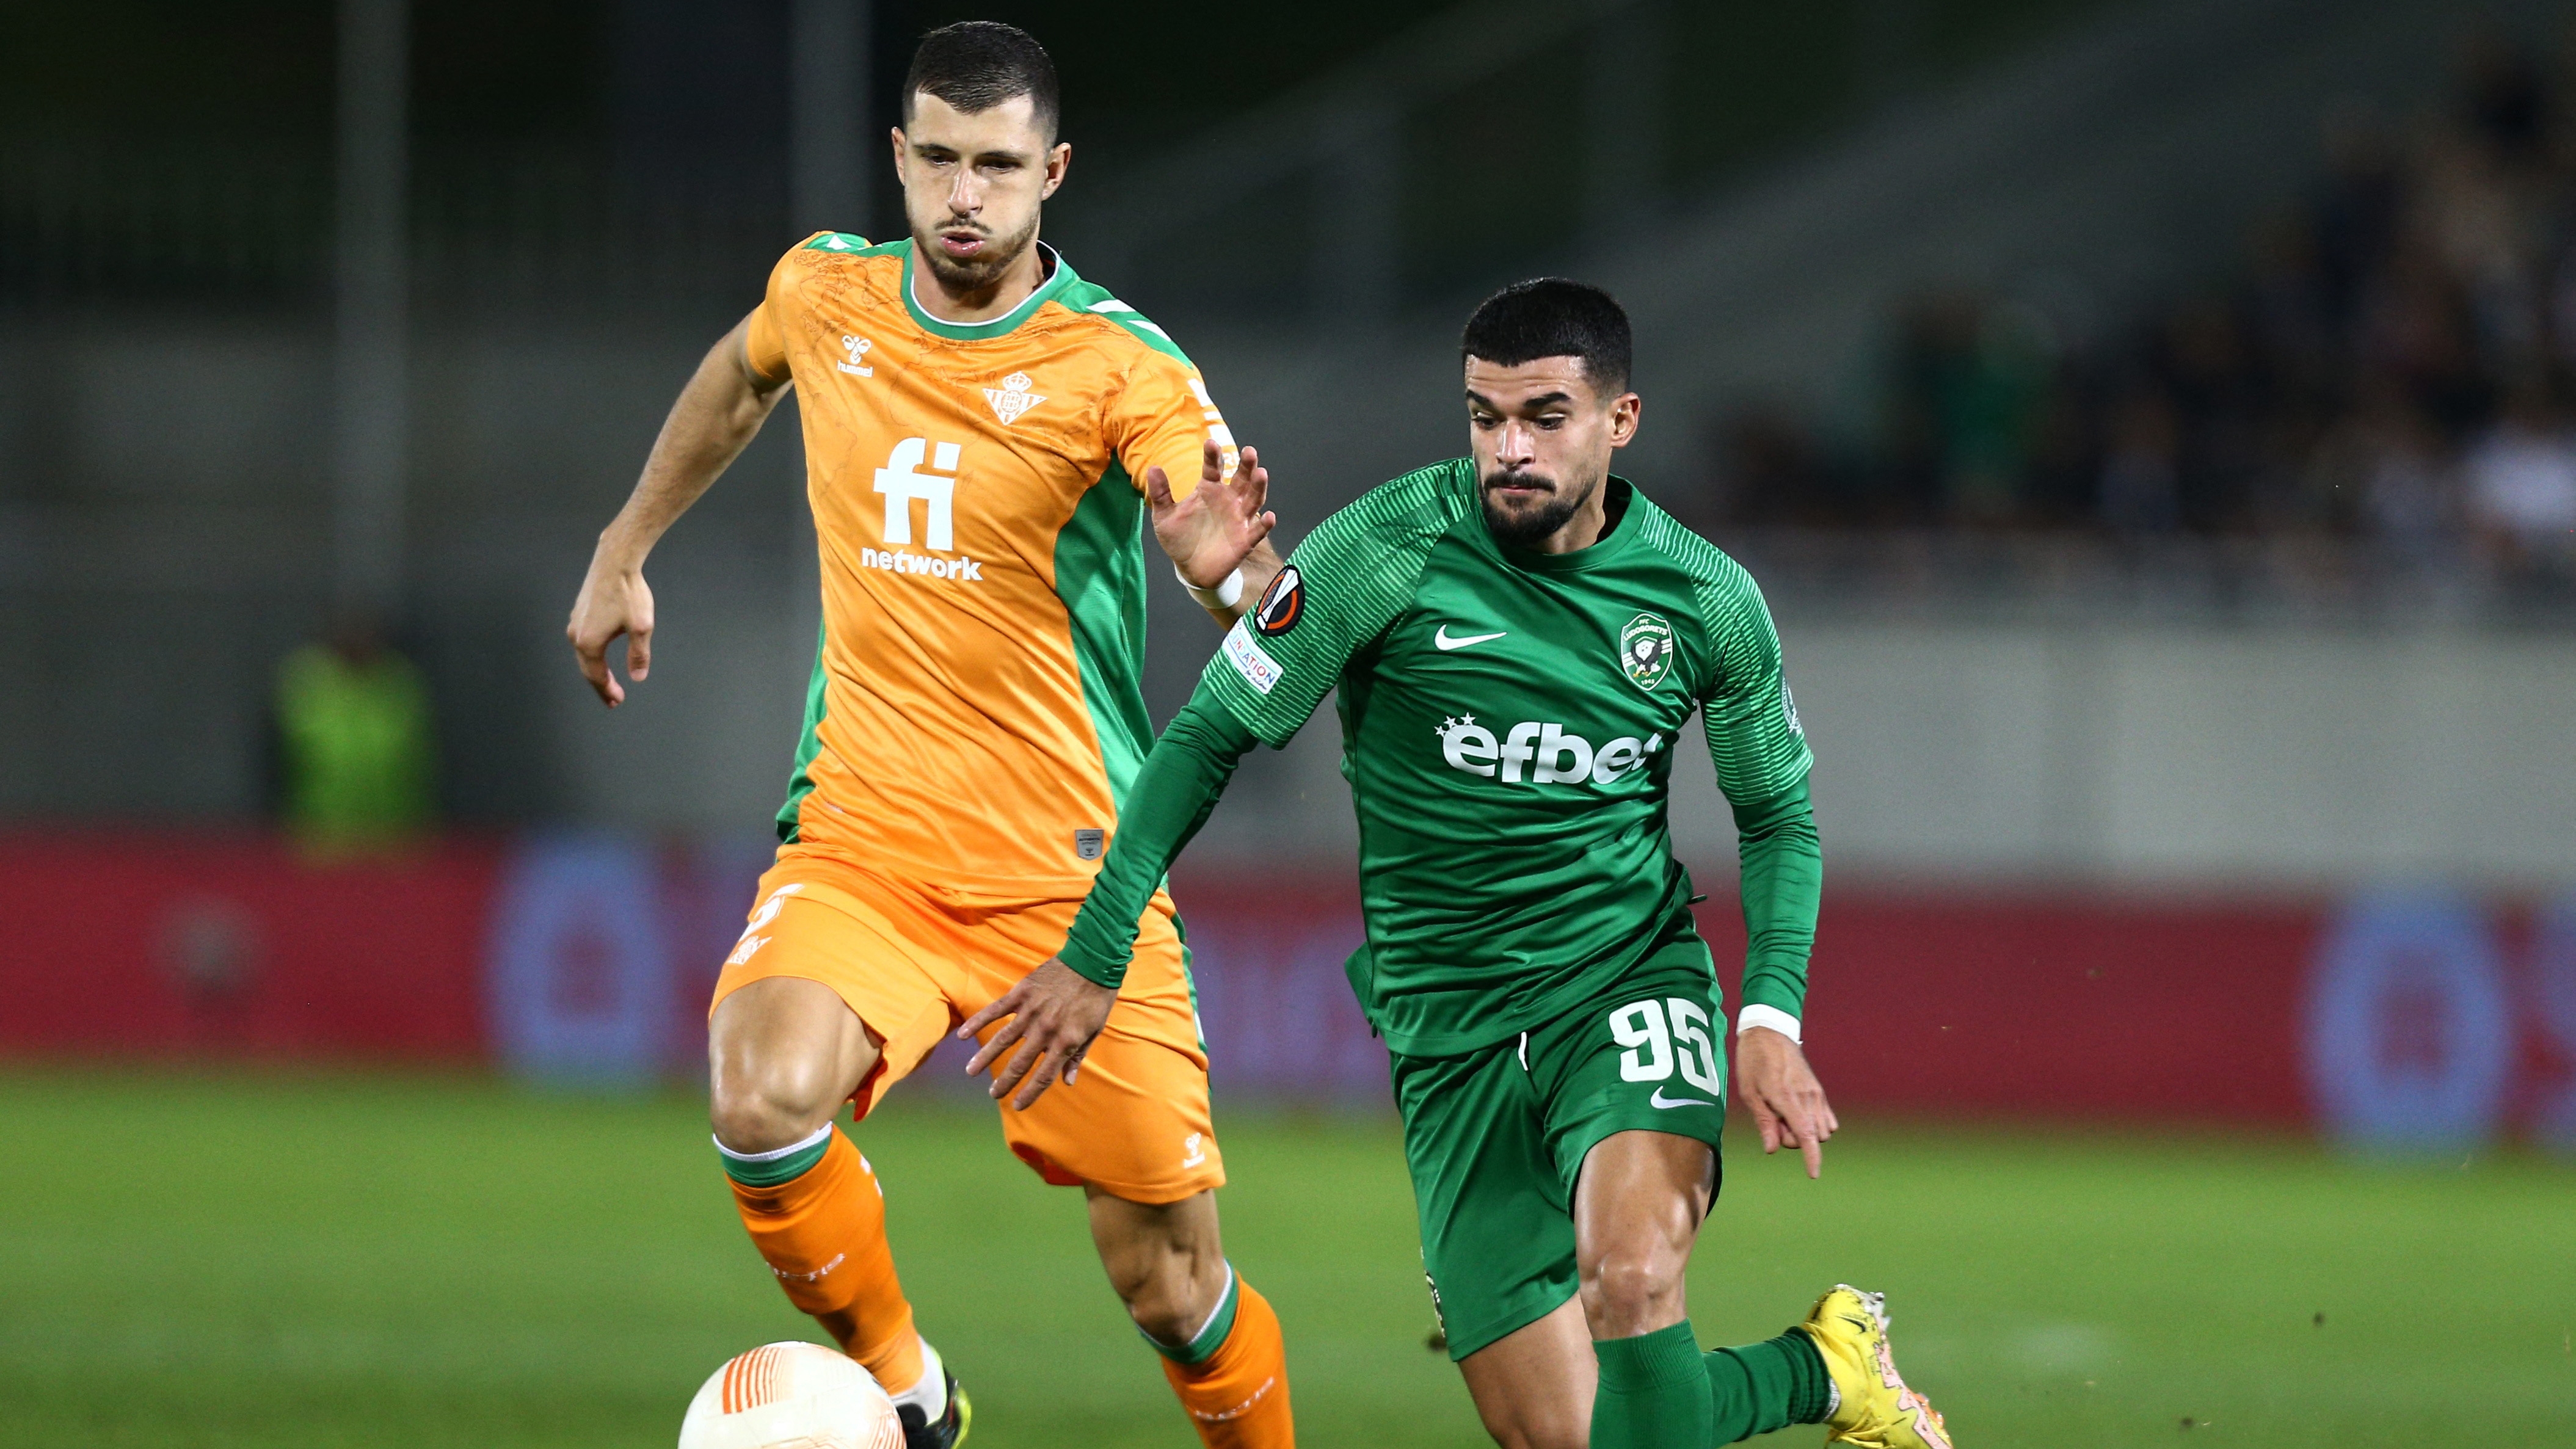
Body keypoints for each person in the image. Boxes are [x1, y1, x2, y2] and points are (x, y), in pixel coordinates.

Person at [969, 280, 1954, 1449]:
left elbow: (1778, 818)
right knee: (1570, 1433)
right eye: (1485, 417)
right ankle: (1818, 1369)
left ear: (1620, 421)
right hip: (1448, 1035)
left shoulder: (1703, 599)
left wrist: (1770, 1016)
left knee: (1632, 1278)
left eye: (1545, 415)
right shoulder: (1382, 549)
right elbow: (1206, 736)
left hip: (1623, 987)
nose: (1509, 448)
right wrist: (1098, 945)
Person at [563, 23, 1294, 1449]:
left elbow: (1250, 584)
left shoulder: (1119, 364)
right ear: (900, 156)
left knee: (1169, 1278)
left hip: (1075, 875)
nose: (969, 194)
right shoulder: (825, 290)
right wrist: (623, 543)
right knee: (760, 1093)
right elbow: (737, 374)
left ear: (1054, 173)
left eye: (1001, 166)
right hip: (866, 840)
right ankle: (908, 1392)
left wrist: (1227, 576)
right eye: (942, 160)